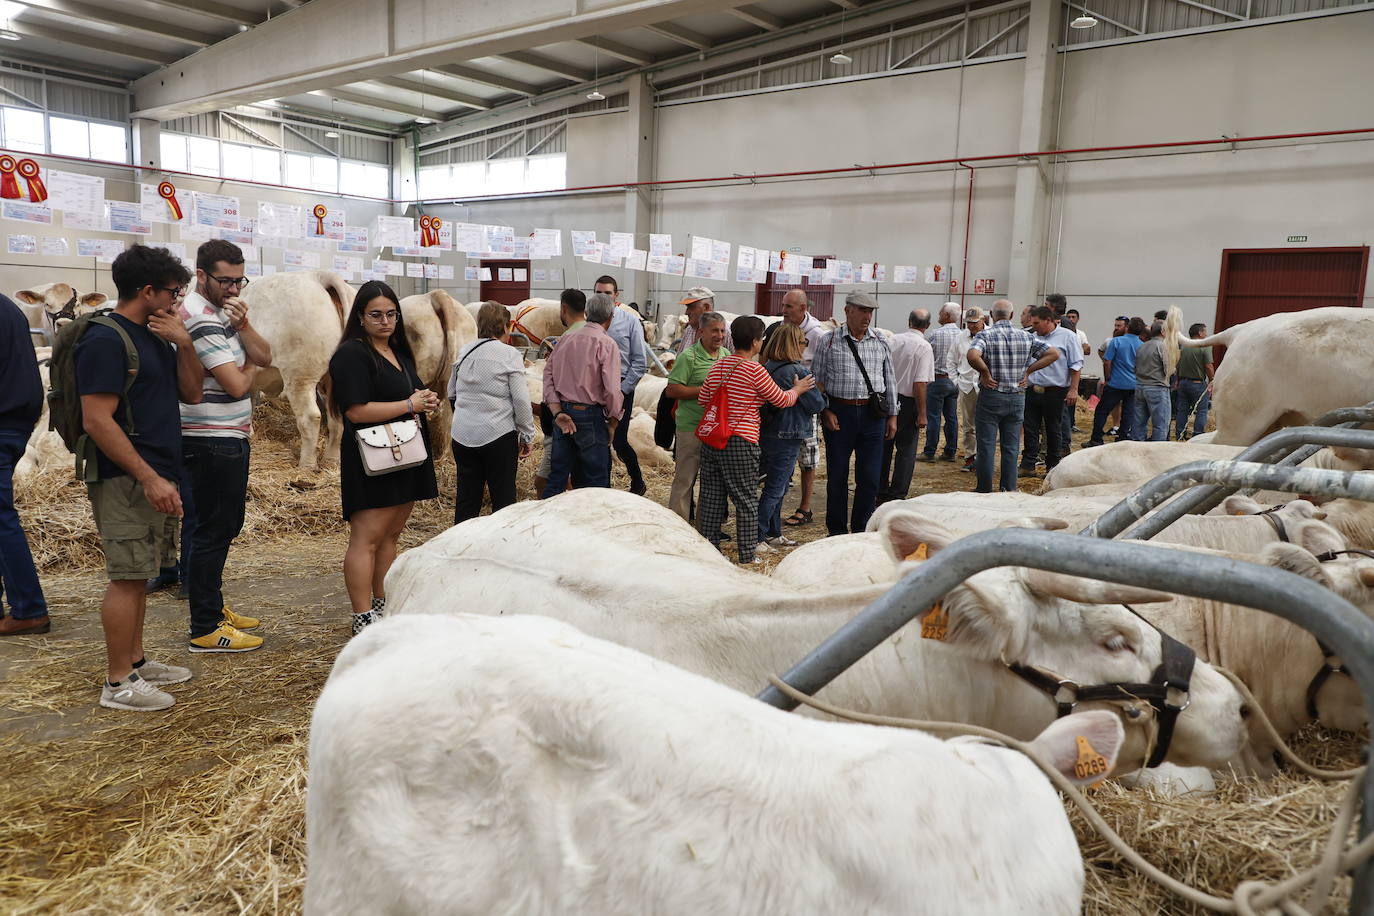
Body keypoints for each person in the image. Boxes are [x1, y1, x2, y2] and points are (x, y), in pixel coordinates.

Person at [76, 244, 203, 710]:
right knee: (128, 577)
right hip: (126, 476)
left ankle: (135, 660)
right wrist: (149, 477)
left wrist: (184, 341)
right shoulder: (106, 340)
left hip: (156, 471)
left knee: (144, 569)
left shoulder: (155, 335)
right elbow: (97, 419)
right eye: (174, 292)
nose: (178, 301)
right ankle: (117, 683)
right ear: (147, 291)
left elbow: (190, 391)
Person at [173, 240, 272, 654]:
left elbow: (266, 355)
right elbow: (237, 384)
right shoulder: (200, 319)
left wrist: (246, 329)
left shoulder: (223, 314)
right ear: (201, 275)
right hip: (211, 437)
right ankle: (205, 626)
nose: (234, 289)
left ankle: (211, 609)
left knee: (215, 527)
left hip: (225, 435)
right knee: (214, 529)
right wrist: (248, 366)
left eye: (239, 280)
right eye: (225, 281)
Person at [329, 280, 440, 636]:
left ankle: (382, 604)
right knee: (366, 538)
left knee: (391, 535)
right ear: (360, 316)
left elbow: (409, 394)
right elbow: (356, 411)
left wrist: (425, 399)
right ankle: (362, 617)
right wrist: (410, 404)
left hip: (404, 452)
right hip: (372, 456)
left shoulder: (399, 353)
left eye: (391, 314)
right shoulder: (352, 354)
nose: (385, 321)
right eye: (376, 314)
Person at [696, 316, 815, 563]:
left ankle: (709, 551)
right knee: (746, 499)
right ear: (755, 342)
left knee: (711, 496)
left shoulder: (718, 365)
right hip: (741, 440)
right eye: (761, 338)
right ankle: (747, 554)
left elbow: (704, 399)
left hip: (712, 439)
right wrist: (799, 389)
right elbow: (781, 400)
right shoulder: (754, 370)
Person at [811, 291, 898, 535]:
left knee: (869, 478)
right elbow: (818, 380)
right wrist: (825, 411)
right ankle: (836, 531)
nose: (867, 316)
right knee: (837, 476)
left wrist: (892, 415)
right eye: (862, 310)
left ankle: (862, 529)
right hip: (840, 413)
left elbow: (889, 379)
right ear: (847, 311)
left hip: (873, 416)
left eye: (870, 311)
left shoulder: (880, 341)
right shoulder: (829, 341)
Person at [449, 302, 535, 524]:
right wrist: (527, 435)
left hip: (462, 436)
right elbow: (521, 400)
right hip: (497, 435)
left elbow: (451, 393)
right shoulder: (509, 355)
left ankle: (460, 546)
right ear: (506, 327)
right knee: (503, 499)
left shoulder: (464, 351)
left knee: (467, 499)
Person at [966, 299, 1058, 493]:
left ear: (991, 315)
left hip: (992, 395)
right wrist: (1029, 371)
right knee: (1011, 447)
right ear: (1012, 315)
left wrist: (984, 372)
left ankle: (984, 489)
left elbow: (973, 356)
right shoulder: (1025, 337)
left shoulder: (985, 335)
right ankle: (1009, 488)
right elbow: (1053, 354)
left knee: (986, 446)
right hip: (1016, 395)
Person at [0, 292, 49, 637]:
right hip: (16, 420)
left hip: (3, 419)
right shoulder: (9, 307)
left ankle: (30, 609)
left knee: (1, 518)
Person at [541, 292, 622, 497]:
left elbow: (548, 375)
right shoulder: (607, 344)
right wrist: (613, 421)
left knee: (558, 475)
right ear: (610, 317)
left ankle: (547, 519)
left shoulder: (565, 339)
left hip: (564, 413)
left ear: (586, 313)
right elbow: (612, 389)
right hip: (590, 415)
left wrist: (557, 411)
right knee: (596, 479)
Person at [757, 323, 826, 547]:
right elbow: (816, 404)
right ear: (793, 343)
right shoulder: (798, 372)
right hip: (789, 435)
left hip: (768, 433)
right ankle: (757, 537)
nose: (805, 347)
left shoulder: (767, 367)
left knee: (777, 486)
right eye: (803, 342)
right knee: (776, 489)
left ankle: (774, 533)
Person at [665, 310, 728, 522]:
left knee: (711, 483)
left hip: (716, 430)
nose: (719, 335)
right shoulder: (688, 357)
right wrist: (706, 391)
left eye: (722, 330)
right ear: (701, 332)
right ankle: (678, 526)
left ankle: (705, 529)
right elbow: (672, 390)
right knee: (685, 479)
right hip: (691, 427)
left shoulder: (726, 356)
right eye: (714, 331)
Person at [773, 289, 825, 529]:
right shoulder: (778, 327)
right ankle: (775, 508)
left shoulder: (816, 334)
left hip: (804, 405)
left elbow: (822, 370)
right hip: (781, 402)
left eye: (789, 307)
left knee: (807, 455)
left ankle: (805, 507)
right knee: (781, 455)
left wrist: (810, 393)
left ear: (804, 309)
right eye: (784, 306)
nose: (784, 311)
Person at [595, 275, 648, 497]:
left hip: (622, 385)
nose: (603, 297)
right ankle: (604, 486)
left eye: (608, 293)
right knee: (599, 438)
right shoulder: (590, 321)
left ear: (616, 295)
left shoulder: (630, 322)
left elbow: (640, 362)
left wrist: (623, 389)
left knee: (618, 439)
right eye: (599, 293)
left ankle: (637, 480)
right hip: (595, 388)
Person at [1020, 306, 1083, 474]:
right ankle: (1028, 464)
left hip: (1055, 390)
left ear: (1048, 320)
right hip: (1033, 389)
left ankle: (1053, 466)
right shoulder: (1032, 337)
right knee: (1030, 427)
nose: (1034, 327)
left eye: (1037, 323)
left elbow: (1076, 365)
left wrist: (1073, 389)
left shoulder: (1067, 337)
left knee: (1053, 428)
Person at [879, 309, 932, 503]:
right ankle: (897, 493)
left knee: (885, 446)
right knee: (906, 450)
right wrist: (922, 413)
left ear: (909, 321)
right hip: (909, 403)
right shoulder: (924, 347)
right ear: (927, 326)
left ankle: (880, 490)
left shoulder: (892, 340)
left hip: (886, 398)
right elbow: (920, 383)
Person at [1087, 317, 1146, 447]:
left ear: (1127, 327)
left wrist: (1107, 378)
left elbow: (1107, 361)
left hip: (1116, 383)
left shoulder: (1116, 341)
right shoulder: (1142, 345)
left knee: (1102, 411)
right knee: (1128, 413)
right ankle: (1123, 439)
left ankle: (1096, 438)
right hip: (1134, 384)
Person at [920, 302, 961, 462]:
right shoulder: (962, 334)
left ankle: (929, 451)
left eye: (941, 313)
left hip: (937, 380)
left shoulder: (935, 334)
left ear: (947, 316)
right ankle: (950, 451)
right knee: (951, 417)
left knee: (934, 417)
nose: (939, 315)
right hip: (954, 380)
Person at [954, 308, 986, 472]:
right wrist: (956, 381)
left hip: (985, 386)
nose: (972, 326)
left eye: (975, 322)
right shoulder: (960, 337)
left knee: (986, 424)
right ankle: (969, 456)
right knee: (968, 425)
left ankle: (983, 457)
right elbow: (951, 361)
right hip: (966, 385)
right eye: (969, 323)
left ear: (983, 320)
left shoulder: (991, 335)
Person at [1133, 319, 1172, 442]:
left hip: (1140, 386)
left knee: (1139, 422)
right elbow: (1168, 369)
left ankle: (1138, 449)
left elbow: (1135, 367)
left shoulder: (1142, 346)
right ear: (1162, 331)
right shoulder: (1162, 346)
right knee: (1161, 424)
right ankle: (1158, 452)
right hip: (1157, 387)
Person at [1174, 323, 1214, 440]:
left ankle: (1179, 435)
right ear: (1200, 333)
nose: (1206, 334)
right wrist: (1212, 379)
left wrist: (1178, 380)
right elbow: (1208, 366)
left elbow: (1178, 365)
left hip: (1183, 383)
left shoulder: (1184, 347)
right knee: (1202, 411)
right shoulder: (1204, 346)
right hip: (1198, 384)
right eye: (1205, 332)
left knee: (1182, 411)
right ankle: (1197, 435)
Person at [675, 287, 732, 354]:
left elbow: (738, 361)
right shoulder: (690, 329)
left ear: (706, 307)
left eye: (691, 307)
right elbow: (679, 358)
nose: (686, 312)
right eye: (687, 308)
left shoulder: (727, 330)